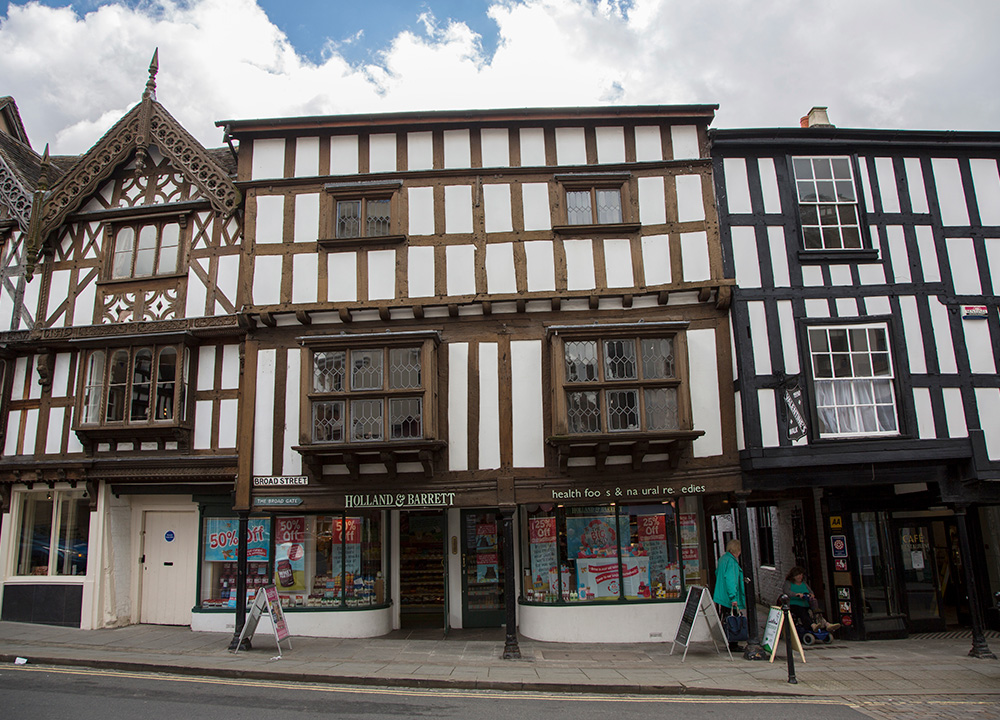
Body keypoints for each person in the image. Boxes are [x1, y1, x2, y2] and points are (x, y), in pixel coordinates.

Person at [783, 566, 840, 633]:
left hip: (805, 603)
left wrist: (811, 595)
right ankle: (812, 626)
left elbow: (810, 591)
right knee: (803, 613)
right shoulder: (788, 583)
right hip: (795, 604)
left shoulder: (804, 583)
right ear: (793, 576)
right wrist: (797, 594)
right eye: (798, 575)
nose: (800, 577)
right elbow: (787, 591)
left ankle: (826, 624)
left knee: (816, 612)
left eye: (801, 575)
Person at [713, 538, 746, 650]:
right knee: (734, 619)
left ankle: (728, 639)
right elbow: (731, 580)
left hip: (721, 595)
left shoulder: (723, 559)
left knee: (726, 617)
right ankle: (733, 642)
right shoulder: (731, 562)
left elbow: (717, 573)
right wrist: (733, 597)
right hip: (728, 596)